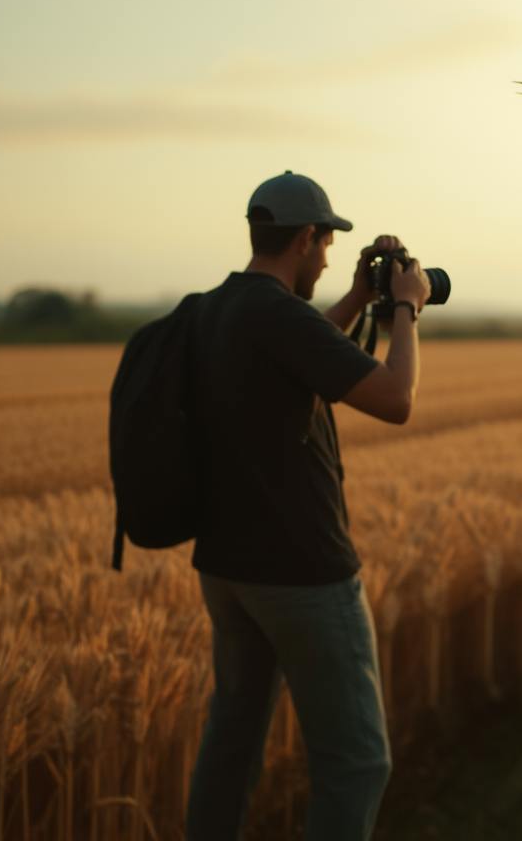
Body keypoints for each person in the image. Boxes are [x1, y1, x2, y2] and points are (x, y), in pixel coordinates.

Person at [184, 170, 431, 841]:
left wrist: (357, 294)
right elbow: (395, 400)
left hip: (226, 567)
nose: (327, 257)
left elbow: (301, 345)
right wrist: (404, 308)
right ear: (304, 238)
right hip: (301, 570)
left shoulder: (222, 308)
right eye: (325, 245)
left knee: (232, 744)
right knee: (357, 762)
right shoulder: (275, 314)